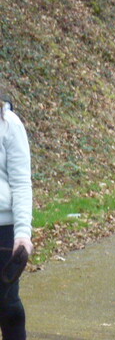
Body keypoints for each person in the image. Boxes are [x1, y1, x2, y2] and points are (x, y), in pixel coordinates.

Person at [0, 94, 33, 340]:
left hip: (4, 230)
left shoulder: (9, 123)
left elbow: (21, 182)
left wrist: (22, 234)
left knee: (8, 305)